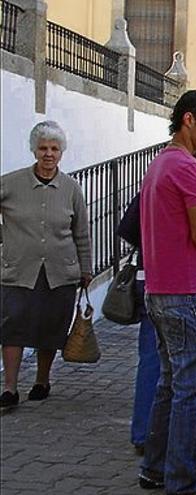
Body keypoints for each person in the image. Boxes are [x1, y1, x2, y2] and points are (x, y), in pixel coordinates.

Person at [138, 90, 196, 494]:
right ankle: (183, 481)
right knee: (191, 391)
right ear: (188, 120)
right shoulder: (190, 169)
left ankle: (156, 468)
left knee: (171, 384)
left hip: (159, 290)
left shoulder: (159, 164)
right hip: (188, 291)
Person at [0, 121, 92, 409]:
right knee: (12, 327)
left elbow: (82, 231)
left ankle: (42, 380)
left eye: (54, 148)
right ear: (34, 150)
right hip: (18, 269)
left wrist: (86, 269)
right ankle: (10, 387)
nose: (48, 154)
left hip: (60, 271)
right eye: (43, 148)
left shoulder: (71, 188)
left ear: (61, 152)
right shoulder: (11, 183)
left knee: (50, 329)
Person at [116, 193, 159, 456]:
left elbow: (127, 229)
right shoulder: (193, 179)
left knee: (151, 360)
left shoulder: (153, 181)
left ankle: (144, 432)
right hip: (174, 282)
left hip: (149, 276)